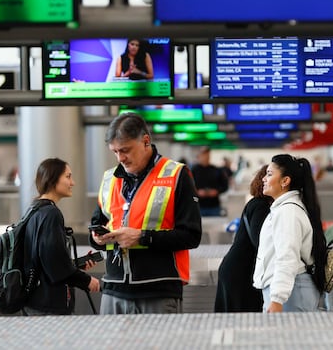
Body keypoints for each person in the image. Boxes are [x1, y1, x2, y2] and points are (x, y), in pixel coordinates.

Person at [89, 112, 202, 314]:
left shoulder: (176, 174)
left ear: (146, 141)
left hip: (158, 289)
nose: (120, 158)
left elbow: (191, 236)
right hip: (114, 288)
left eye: (125, 150)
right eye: (115, 152)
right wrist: (97, 238)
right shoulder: (109, 179)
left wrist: (142, 237)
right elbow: (98, 223)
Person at [22, 158, 100, 315]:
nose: (73, 182)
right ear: (52, 179)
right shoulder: (51, 214)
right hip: (49, 305)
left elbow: (46, 260)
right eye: (68, 176)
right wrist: (86, 280)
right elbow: (55, 266)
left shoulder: (35, 210)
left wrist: (74, 266)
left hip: (35, 300)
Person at [253, 154, 327, 313]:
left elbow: (287, 257)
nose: (264, 179)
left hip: (292, 293)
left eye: (269, 174)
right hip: (290, 290)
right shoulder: (284, 208)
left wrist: (277, 299)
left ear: (285, 181)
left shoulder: (288, 212)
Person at [214, 165, 272, 312]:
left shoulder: (258, 204)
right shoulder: (261, 206)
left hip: (238, 271)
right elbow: (259, 241)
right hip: (241, 274)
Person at [190, 146, 229, 216]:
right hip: (198, 206)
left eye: (207, 154)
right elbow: (187, 187)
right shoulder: (193, 171)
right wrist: (197, 192)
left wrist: (217, 191)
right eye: (203, 154)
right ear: (199, 156)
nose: (205, 157)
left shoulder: (216, 170)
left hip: (214, 206)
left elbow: (225, 186)